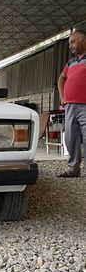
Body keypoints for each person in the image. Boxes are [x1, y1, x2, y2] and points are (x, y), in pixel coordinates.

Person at [56, 28, 86, 177]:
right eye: (69, 43)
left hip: (85, 106)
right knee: (70, 138)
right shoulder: (71, 61)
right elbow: (61, 78)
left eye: (73, 42)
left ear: (83, 40)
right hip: (70, 107)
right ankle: (73, 169)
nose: (70, 46)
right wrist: (63, 98)